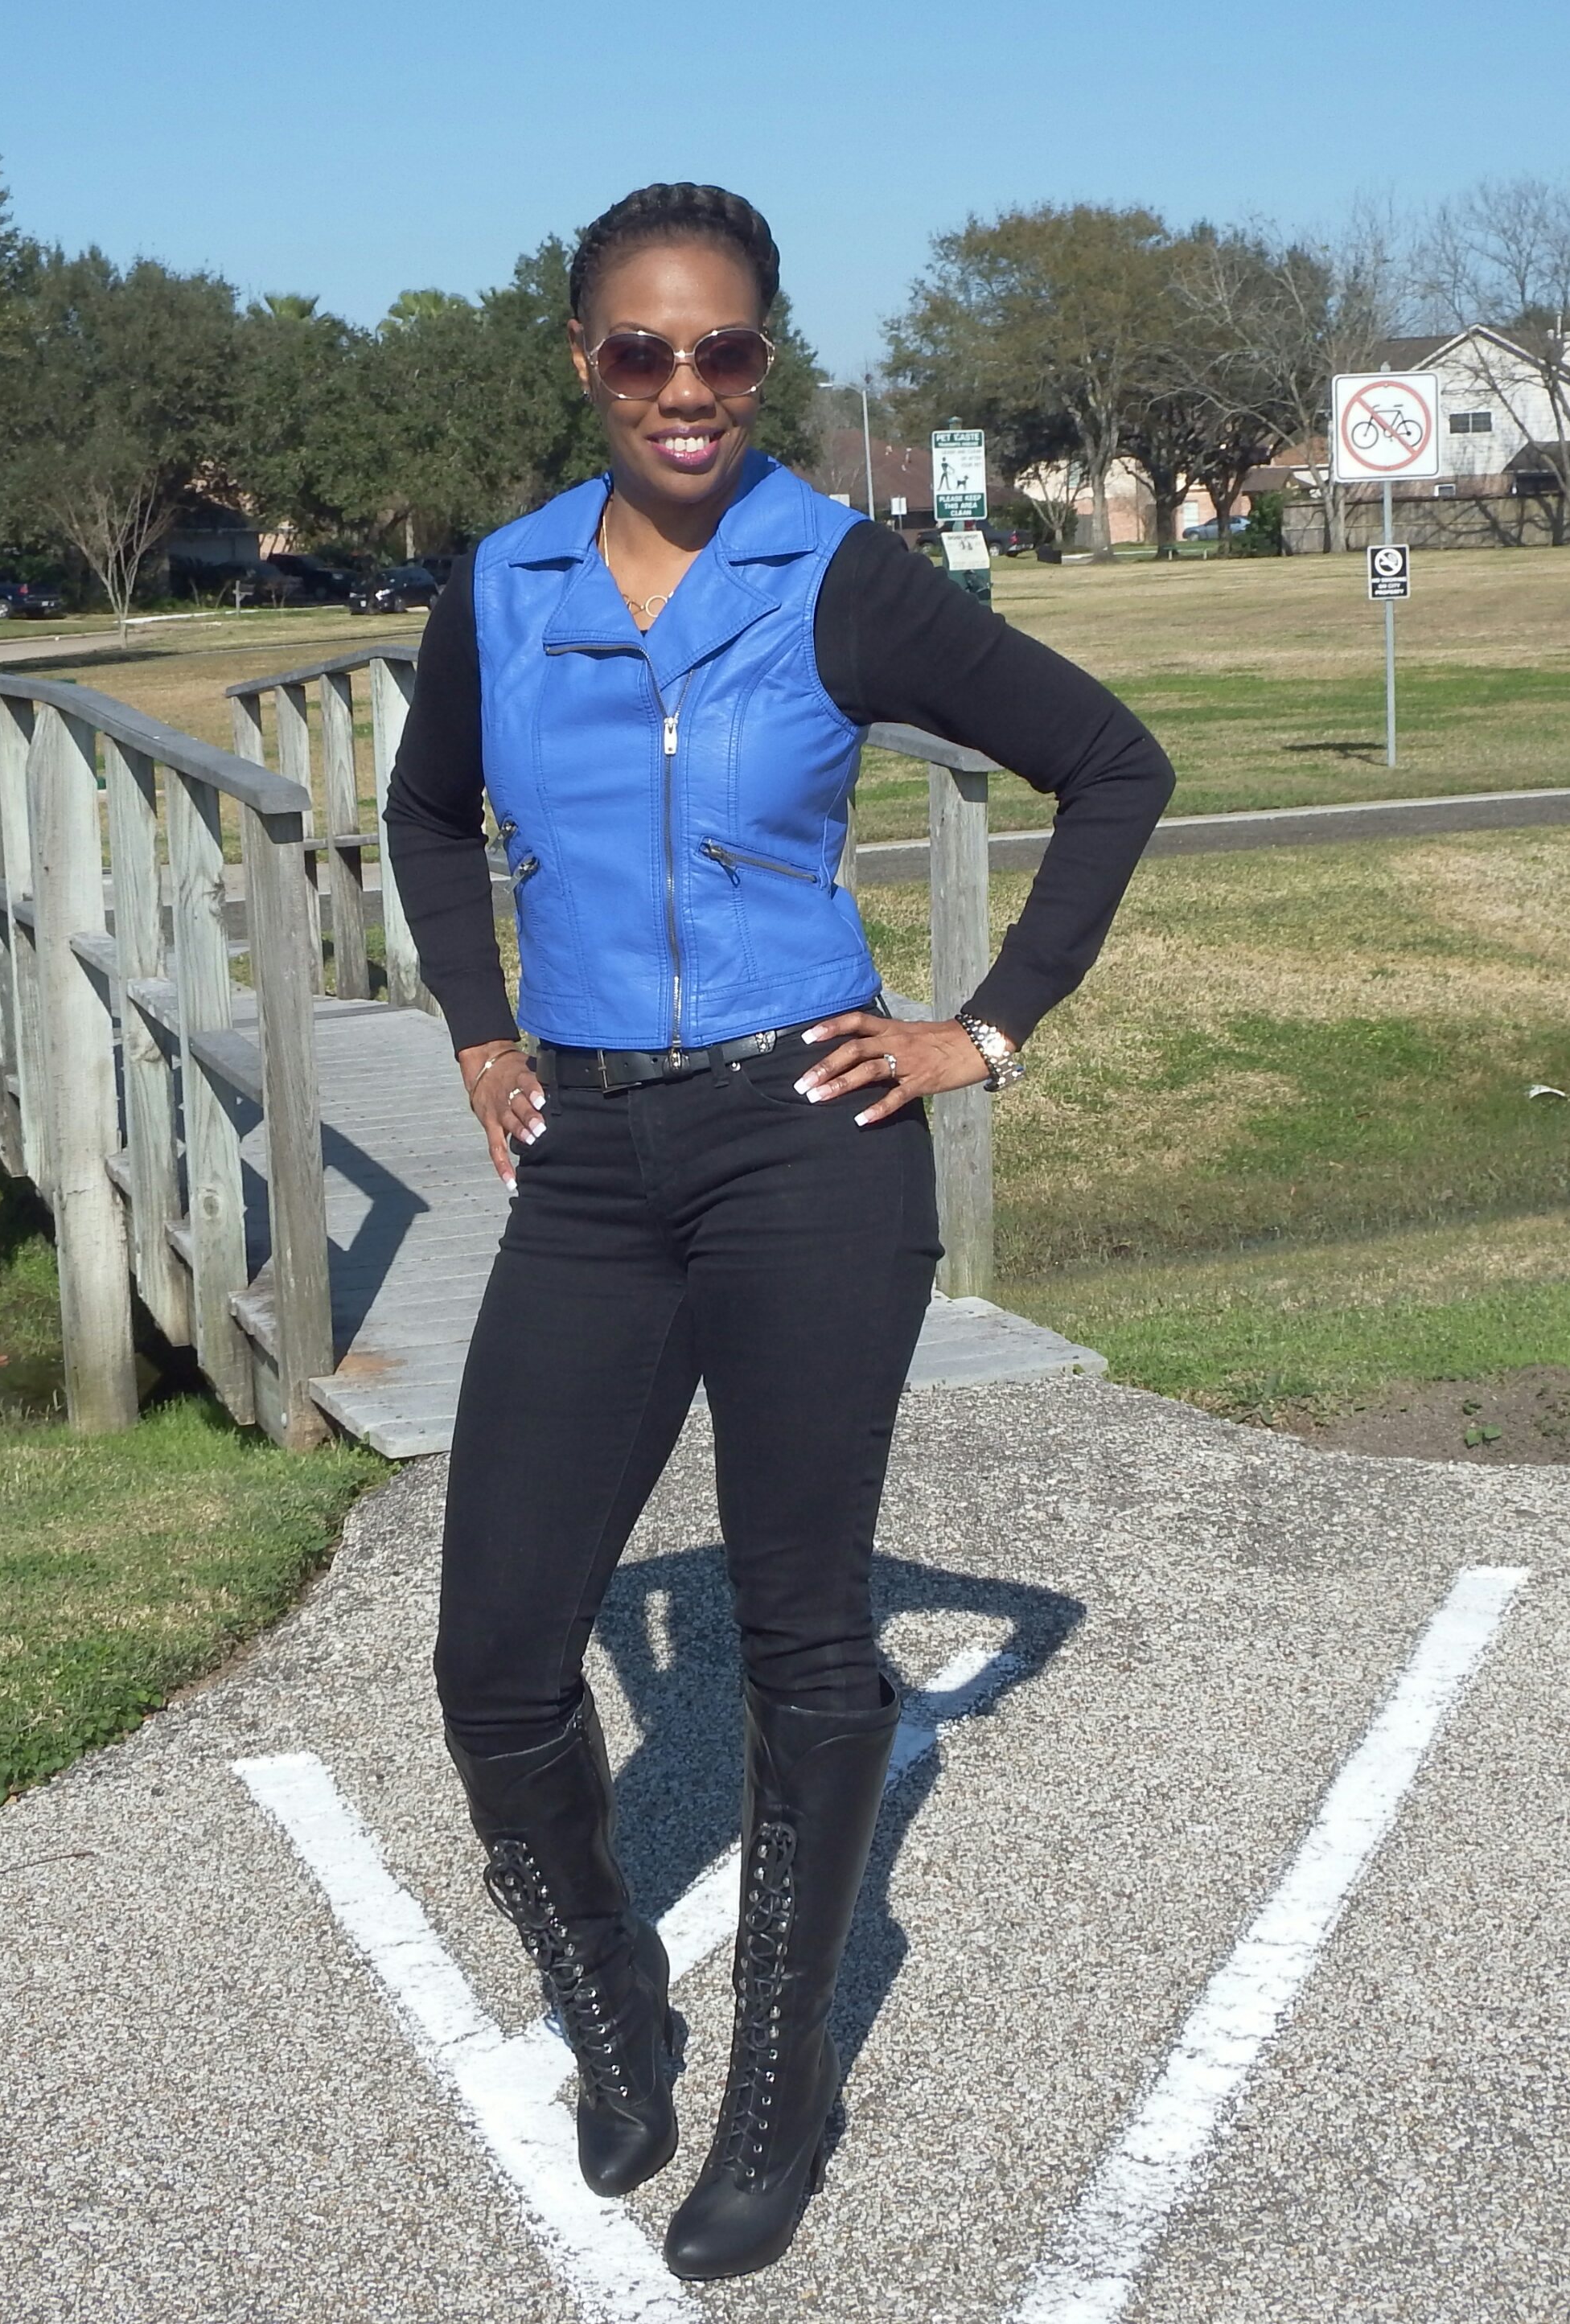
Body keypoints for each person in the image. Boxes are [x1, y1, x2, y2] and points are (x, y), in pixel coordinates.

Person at [383, 182, 1173, 2282]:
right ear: (583, 359)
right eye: (644, 350)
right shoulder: (501, 584)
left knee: (806, 1636)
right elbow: (424, 813)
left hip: (805, 1141)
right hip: (590, 1161)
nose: (686, 387)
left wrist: (980, 1032)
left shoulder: (839, 573)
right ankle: (611, 1998)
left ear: (764, 362)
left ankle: (778, 2081)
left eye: (723, 350)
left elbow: (1113, 766)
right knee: (495, 1661)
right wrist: (477, 1023)